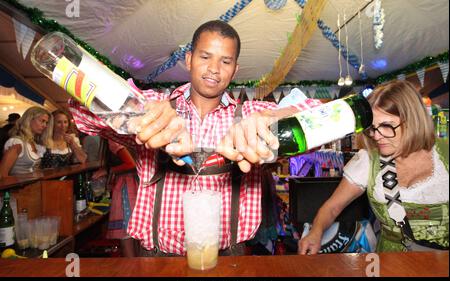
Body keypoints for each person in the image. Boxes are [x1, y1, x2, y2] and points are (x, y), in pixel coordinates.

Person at [69, 20, 321, 256]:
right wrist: (139, 113)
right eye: (205, 57)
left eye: (225, 61)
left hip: (228, 258)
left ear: (235, 70)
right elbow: (82, 113)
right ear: (189, 60)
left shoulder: (250, 115)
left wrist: (277, 116)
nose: (214, 69)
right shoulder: (154, 107)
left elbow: (321, 116)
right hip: (158, 259)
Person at [298, 80, 449, 254]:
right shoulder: (368, 160)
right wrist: (316, 232)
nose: (377, 136)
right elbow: (333, 207)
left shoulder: (444, 156)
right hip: (391, 263)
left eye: (386, 126)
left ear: (413, 120)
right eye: (372, 127)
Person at [92, 139, 138, 257]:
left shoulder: (113, 141)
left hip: (126, 188)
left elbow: (130, 163)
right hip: (134, 185)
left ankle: (132, 271)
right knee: (135, 239)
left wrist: (107, 171)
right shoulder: (122, 136)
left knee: (126, 236)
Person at [0, 107, 52, 178]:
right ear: (29, 119)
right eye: (42, 121)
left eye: (46, 122)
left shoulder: (33, 143)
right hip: (18, 188)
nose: (45, 125)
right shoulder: (17, 143)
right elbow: (2, 175)